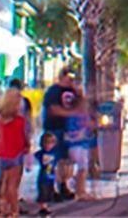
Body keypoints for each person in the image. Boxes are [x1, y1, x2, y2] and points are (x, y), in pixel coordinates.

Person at [0, 87, 28, 218]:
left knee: (4, 182)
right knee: (13, 185)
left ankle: (3, 209)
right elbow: (22, 136)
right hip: (16, 152)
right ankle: (14, 210)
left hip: (2, 152)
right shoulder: (19, 120)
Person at [42, 69, 76, 200]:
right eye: (68, 78)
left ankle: (63, 185)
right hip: (54, 128)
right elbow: (53, 109)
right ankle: (49, 188)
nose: (70, 81)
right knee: (52, 160)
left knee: (65, 161)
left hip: (68, 130)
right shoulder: (53, 92)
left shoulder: (72, 91)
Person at [63, 90, 93, 200]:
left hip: (75, 144)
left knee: (79, 168)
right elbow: (85, 128)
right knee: (82, 168)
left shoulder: (70, 114)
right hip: (79, 144)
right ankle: (81, 192)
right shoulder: (80, 115)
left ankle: (79, 190)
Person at [34, 133, 58, 216]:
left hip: (51, 175)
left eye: (51, 143)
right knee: (43, 192)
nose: (48, 145)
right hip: (43, 176)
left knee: (49, 190)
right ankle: (43, 207)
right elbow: (36, 155)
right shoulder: (41, 153)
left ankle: (46, 205)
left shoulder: (54, 153)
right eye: (46, 143)